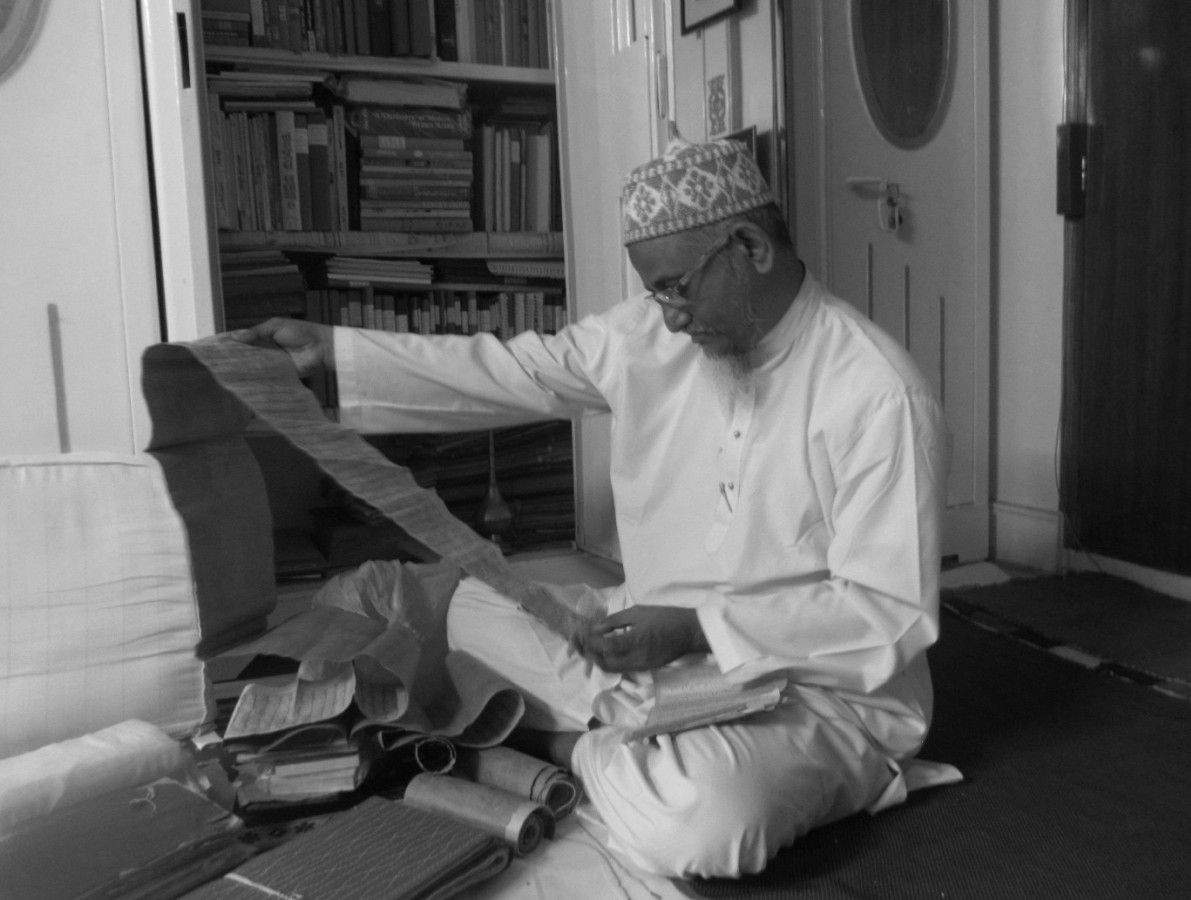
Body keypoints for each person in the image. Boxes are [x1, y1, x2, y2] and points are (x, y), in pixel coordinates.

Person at [233, 136, 951, 879]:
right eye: (657, 294)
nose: (670, 318)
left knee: (702, 823)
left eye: (677, 288)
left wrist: (698, 627)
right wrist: (333, 352)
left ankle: (565, 744)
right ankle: (632, 735)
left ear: (750, 248)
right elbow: (512, 370)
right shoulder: (647, 339)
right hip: (649, 644)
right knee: (468, 608)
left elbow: (885, 614)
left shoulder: (878, 394)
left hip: (817, 692)